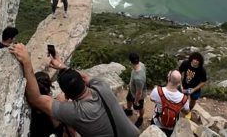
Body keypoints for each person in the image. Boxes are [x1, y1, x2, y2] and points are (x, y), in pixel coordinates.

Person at [10, 43, 140, 137]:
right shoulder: (101, 86)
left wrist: (26, 62)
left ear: (66, 95)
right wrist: (61, 66)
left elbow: (36, 99)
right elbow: (84, 76)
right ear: (83, 82)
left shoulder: (74, 112)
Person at [150, 70, 189, 137]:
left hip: (157, 123)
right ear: (179, 83)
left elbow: (151, 99)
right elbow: (187, 111)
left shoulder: (157, 91)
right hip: (171, 127)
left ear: (168, 78)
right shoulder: (184, 98)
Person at [124, 52, 147, 128]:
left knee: (140, 107)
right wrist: (130, 84)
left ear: (130, 62)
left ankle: (140, 118)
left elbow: (139, 92)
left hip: (138, 95)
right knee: (128, 99)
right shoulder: (141, 64)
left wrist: (136, 101)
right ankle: (129, 110)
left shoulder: (138, 78)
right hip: (132, 89)